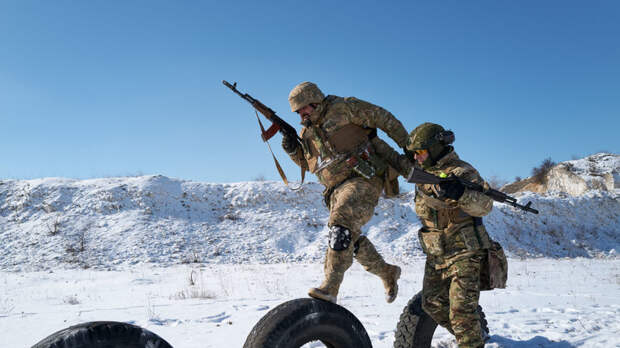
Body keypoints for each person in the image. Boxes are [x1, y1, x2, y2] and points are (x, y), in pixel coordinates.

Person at [281, 81, 407, 303]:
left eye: (304, 108)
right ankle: (387, 272)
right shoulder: (307, 133)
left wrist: (409, 147)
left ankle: (330, 287)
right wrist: (293, 149)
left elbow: (383, 117)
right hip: (335, 190)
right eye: (298, 111)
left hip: (363, 178)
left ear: (315, 100)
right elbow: (310, 165)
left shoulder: (345, 108)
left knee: (341, 225)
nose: (301, 114)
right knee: (348, 240)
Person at [374, 122, 493, 348]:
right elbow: (396, 160)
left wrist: (461, 193)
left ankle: (470, 339)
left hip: (464, 252)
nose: (417, 157)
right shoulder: (423, 172)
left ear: (435, 148)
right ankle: (472, 335)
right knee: (433, 304)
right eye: (415, 153)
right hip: (437, 253)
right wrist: (373, 140)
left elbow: (485, 205)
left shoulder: (462, 171)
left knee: (462, 315)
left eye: (421, 152)